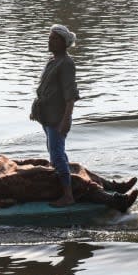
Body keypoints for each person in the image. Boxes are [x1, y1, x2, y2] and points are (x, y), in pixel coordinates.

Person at [0, 155, 138, 213]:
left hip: (13, 171)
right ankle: (116, 201)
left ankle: (113, 186)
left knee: (72, 166)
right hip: (17, 183)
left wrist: (35, 164)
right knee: (70, 180)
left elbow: (10, 163)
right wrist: (34, 170)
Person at [30, 24, 80, 207]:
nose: (49, 41)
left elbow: (70, 95)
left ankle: (68, 195)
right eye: (49, 37)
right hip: (48, 117)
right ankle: (66, 186)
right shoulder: (53, 60)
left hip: (58, 119)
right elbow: (46, 90)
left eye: (53, 38)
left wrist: (66, 120)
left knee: (57, 156)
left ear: (63, 42)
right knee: (56, 153)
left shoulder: (66, 63)